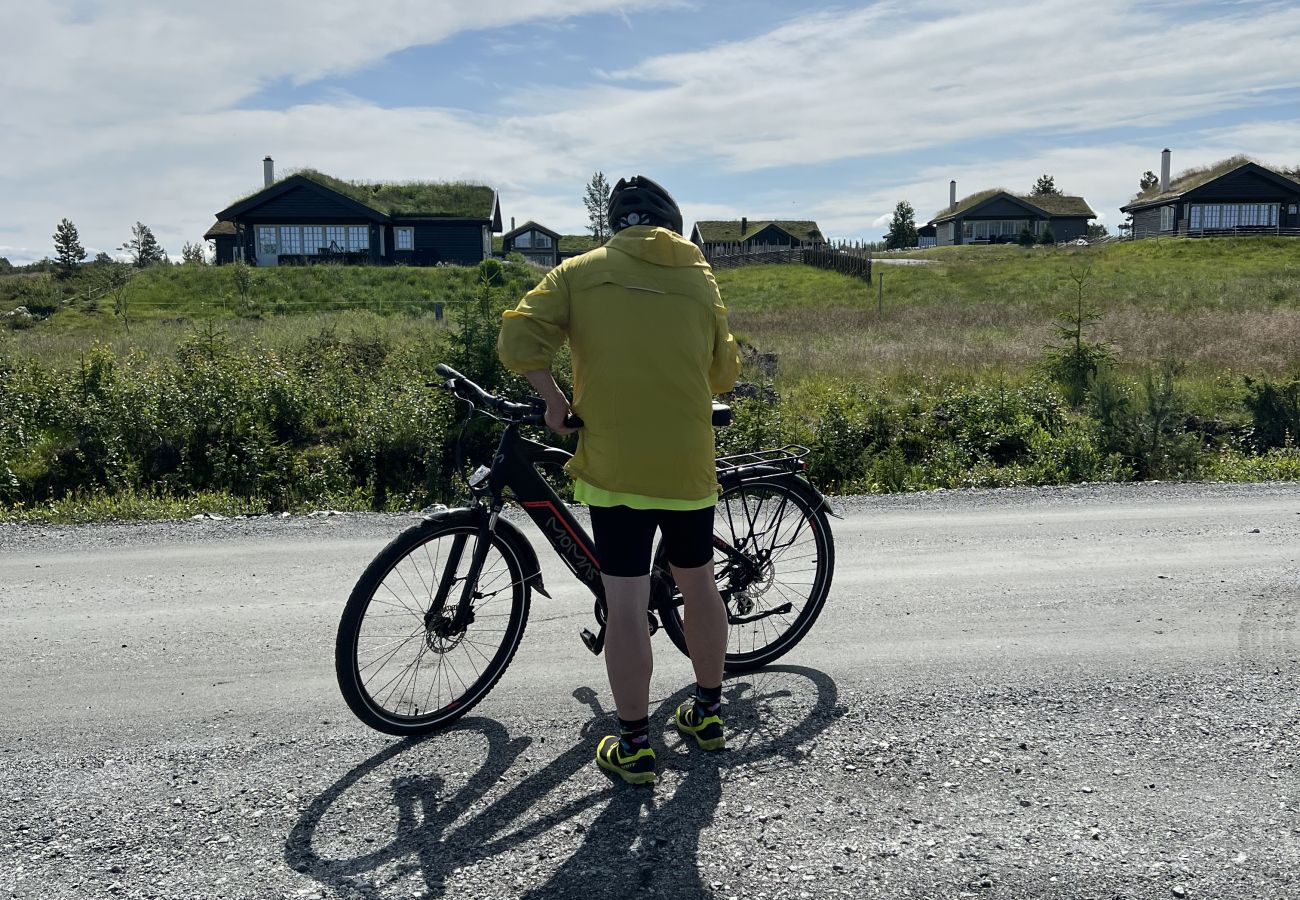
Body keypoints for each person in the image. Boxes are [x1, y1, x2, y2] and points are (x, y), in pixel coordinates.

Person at [497, 175, 741, 785]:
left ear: (616, 224)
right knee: (700, 586)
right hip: (687, 460)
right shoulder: (698, 276)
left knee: (626, 603)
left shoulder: (578, 272)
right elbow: (724, 372)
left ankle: (635, 745)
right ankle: (708, 715)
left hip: (615, 464)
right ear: (672, 224)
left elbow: (519, 336)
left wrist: (553, 400)